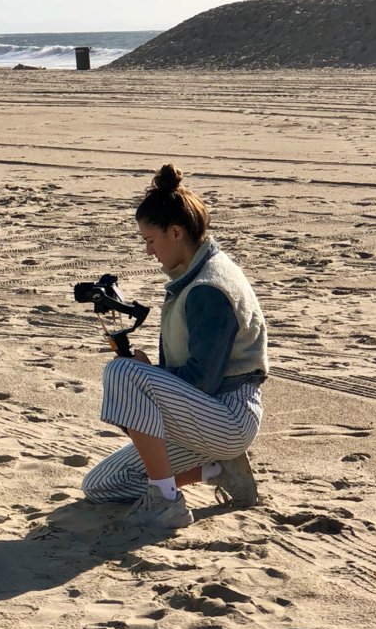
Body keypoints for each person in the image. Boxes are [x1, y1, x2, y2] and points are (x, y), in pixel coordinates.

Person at [81, 164, 268, 528]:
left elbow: (203, 381)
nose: (149, 251)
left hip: (229, 418)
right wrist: (151, 380)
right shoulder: (194, 273)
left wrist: (146, 378)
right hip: (204, 417)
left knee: (122, 372)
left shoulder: (209, 289)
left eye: (151, 240)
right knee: (101, 486)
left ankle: (167, 502)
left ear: (177, 231)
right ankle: (217, 470)